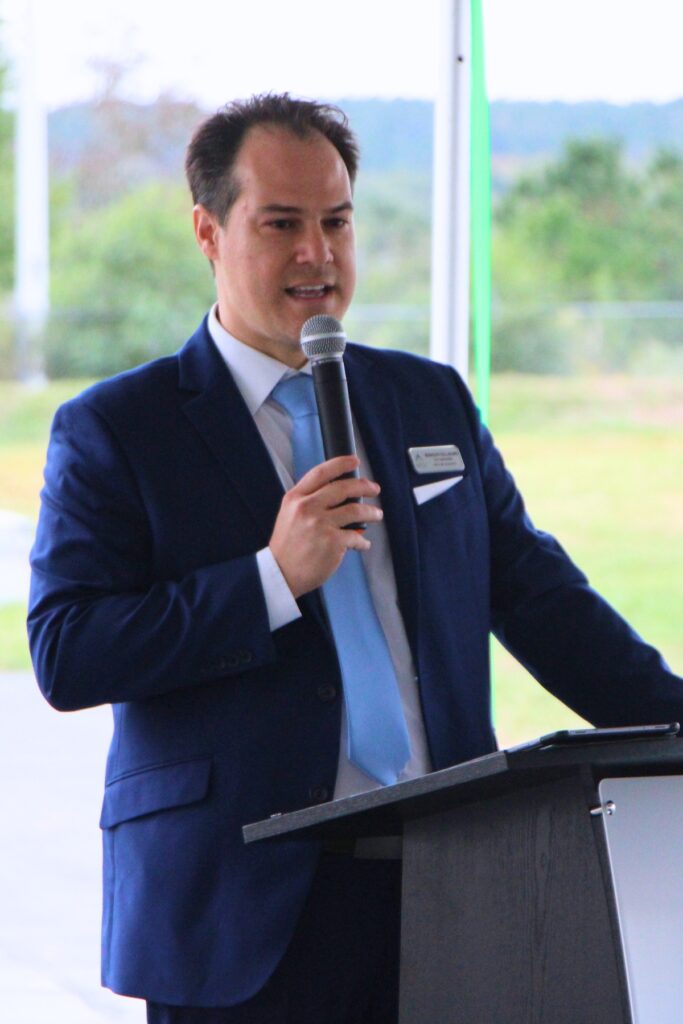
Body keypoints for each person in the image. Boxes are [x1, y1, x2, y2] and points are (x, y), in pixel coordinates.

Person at [28, 93, 683, 1024]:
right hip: (243, 913)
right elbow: (68, 650)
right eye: (281, 224)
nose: (317, 255)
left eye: (336, 222)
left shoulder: (427, 402)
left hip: (459, 883)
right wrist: (271, 579)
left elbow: (540, 599)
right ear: (208, 231)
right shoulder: (116, 429)